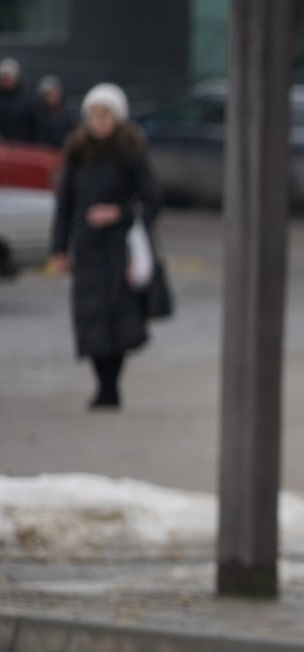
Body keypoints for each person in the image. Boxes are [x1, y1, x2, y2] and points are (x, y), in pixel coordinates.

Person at [51, 82, 161, 410]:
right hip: (87, 248)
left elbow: (152, 200)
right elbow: (65, 204)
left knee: (117, 319)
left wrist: (118, 213)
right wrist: (59, 249)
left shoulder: (131, 150)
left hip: (119, 248)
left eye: (105, 115)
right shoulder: (77, 151)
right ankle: (102, 384)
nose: (98, 122)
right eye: (93, 115)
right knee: (90, 318)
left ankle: (111, 386)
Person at [0, 57, 36, 142]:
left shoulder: (27, 101)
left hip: (20, 146)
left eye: (7, 77)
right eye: (3, 78)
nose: (5, 81)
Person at [33, 74, 73, 147]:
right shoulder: (35, 115)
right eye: (50, 94)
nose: (53, 97)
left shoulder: (67, 116)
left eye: (56, 93)